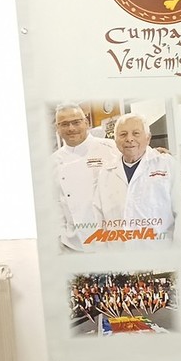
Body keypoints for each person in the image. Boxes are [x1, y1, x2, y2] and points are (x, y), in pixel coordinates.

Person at [93, 113, 177, 243]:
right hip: (118, 251)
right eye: (123, 134)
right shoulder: (106, 172)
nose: (129, 139)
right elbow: (99, 219)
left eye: (136, 133)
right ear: (115, 140)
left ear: (148, 138)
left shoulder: (167, 165)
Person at [51, 103, 120, 251]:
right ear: (57, 128)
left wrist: (159, 154)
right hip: (72, 245)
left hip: (111, 241)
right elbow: (54, 203)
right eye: (64, 124)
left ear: (86, 123)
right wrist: (59, 236)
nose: (71, 128)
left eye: (76, 122)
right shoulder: (52, 162)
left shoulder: (112, 148)